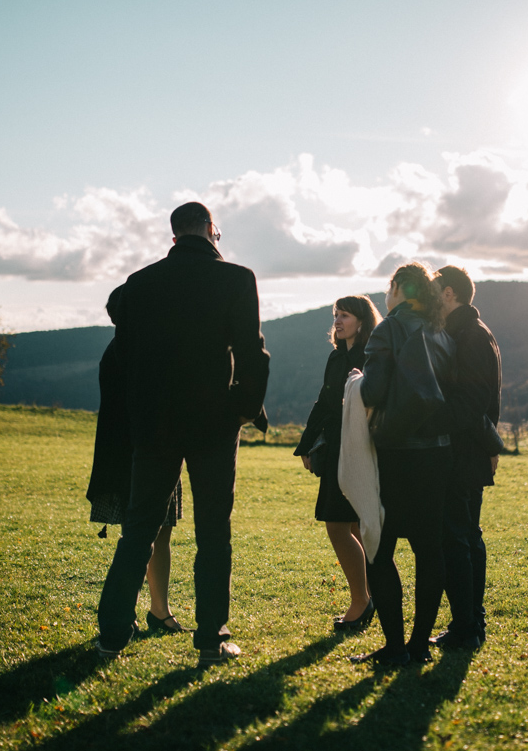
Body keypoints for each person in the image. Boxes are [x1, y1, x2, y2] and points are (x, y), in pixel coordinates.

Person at [95, 201, 269, 667]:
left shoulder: (141, 282)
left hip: (153, 423)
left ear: (174, 237)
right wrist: (243, 410)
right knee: (214, 530)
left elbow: (117, 314)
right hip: (214, 423)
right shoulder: (237, 279)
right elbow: (253, 353)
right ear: (212, 231)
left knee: (139, 527)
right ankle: (211, 638)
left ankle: (111, 633)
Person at [352, 262, 455, 666]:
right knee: (430, 548)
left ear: (396, 287)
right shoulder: (440, 332)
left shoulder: (389, 328)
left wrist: (356, 383)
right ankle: (419, 644)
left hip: (397, 452)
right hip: (439, 451)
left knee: (380, 548)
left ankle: (394, 646)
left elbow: (374, 388)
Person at [88, 333, 189, 636]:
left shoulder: (121, 346)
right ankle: (137, 612)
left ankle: (157, 611)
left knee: (156, 532)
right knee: (144, 533)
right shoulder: (135, 347)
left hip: (135, 450)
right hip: (143, 451)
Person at [293, 296, 382, 632]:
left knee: (338, 525)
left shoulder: (371, 356)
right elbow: (324, 402)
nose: (338, 321)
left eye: (345, 315)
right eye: (335, 315)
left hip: (359, 450)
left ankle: (361, 601)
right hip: (334, 449)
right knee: (353, 525)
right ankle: (369, 597)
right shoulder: (336, 357)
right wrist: (305, 443)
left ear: (362, 320)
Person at [430, 266, 502, 650]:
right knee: (466, 538)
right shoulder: (468, 332)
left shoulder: (470, 337)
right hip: (469, 451)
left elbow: (472, 404)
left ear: (448, 294)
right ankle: (471, 623)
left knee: (456, 539)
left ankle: (467, 627)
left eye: (433, 290)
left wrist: (428, 421)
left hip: (462, 453)